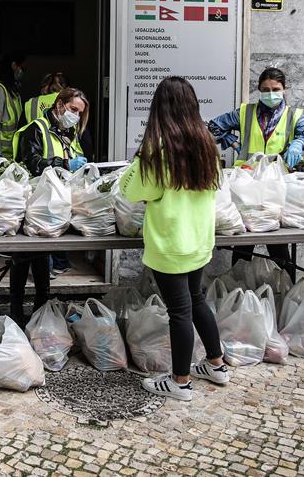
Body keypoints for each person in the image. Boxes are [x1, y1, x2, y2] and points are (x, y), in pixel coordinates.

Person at [120, 76, 230, 402]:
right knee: (196, 301)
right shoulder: (206, 145)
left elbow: (132, 190)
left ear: (160, 109)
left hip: (170, 244)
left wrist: (137, 161)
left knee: (180, 311)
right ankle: (216, 364)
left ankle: (180, 381)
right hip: (198, 241)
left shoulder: (159, 151)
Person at [207, 67, 304, 266]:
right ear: (259, 90)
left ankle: (283, 286)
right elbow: (213, 126)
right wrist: (231, 140)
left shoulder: (294, 115)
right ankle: (240, 287)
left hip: (276, 187)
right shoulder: (245, 112)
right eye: (265, 90)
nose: (271, 94)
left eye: (276, 89)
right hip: (246, 184)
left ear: (284, 89)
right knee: (244, 241)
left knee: (276, 241)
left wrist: (298, 143)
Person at [7, 87, 90, 324]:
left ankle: (41, 310)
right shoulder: (36, 129)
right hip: (35, 203)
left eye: (79, 112)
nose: (75, 115)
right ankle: (16, 311)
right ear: (60, 105)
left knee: (43, 255)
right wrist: (64, 163)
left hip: (58, 205)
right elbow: (31, 162)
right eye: (73, 109)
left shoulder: (70, 133)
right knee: (24, 255)